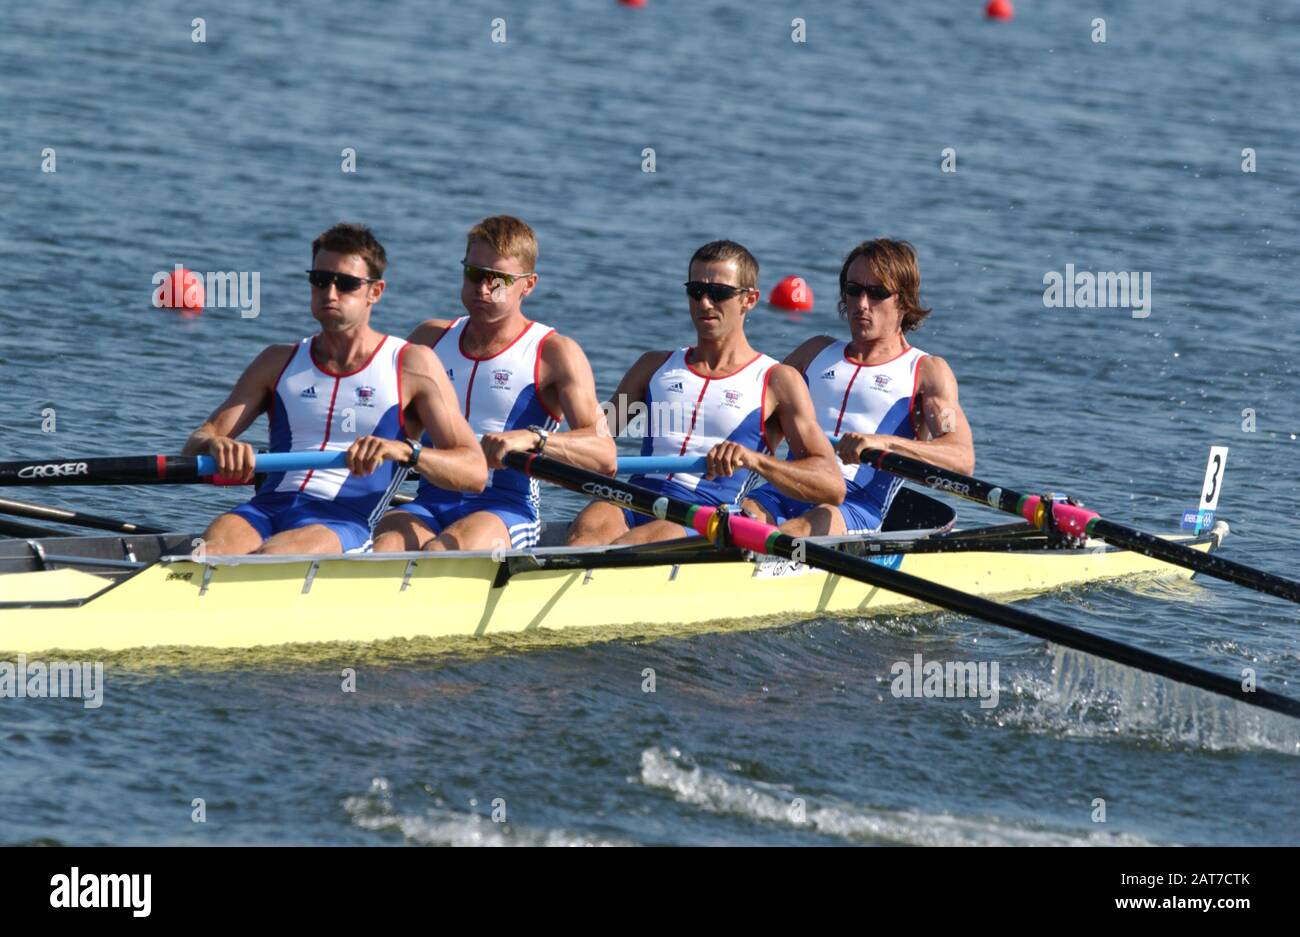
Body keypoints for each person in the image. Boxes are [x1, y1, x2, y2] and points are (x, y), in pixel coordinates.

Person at [182, 223, 486, 555]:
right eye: (320, 280)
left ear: (375, 291)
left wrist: (406, 452)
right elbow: (196, 443)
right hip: (264, 509)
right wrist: (217, 445)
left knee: (273, 557)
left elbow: (474, 471)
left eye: (346, 284)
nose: (330, 293)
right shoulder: (276, 361)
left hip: (341, 522)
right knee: (208, 553)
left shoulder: (412, 365)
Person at [567, 240, 843, 546]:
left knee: (634, 544)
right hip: (635, 498)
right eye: (696, 291)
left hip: (708, 513)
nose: (705, 303)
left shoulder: (777, 381)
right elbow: (594, 437)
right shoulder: (652, 366)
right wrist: (534, 438)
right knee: (588, 528)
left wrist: (756, 461)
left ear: (749, 299)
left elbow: (831, 485)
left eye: (720, 293)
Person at [372, 216, 615, 552]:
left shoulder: (555, 353)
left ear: (528, 285)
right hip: (428, 502)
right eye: (474, 274)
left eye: (497, 280)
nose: (483, 289)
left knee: (443, 550)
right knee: (385, 546)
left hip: (505, 508)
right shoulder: (429, 339)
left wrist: (534, 439)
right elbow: (382, 422)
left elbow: (605, 456)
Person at [741, 238, 974, 536]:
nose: (862, 304)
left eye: (877, 293)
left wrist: (884, 443)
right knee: (738, 518)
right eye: (854, 290)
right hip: (787, 488)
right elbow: (754, 422)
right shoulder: (812, 353)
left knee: (803, 527)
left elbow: (961, 457)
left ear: (903, 301)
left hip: (854, 507)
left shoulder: (927, 373)